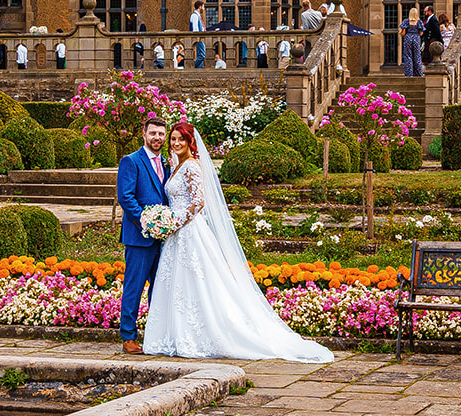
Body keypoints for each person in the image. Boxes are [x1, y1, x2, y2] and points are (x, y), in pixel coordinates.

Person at [142, 120, 333, 362]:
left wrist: (174, 222)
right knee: (178, 284)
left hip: (190, 232)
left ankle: (202, 335)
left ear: (191, 142)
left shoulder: (191, 166)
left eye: (181, 139)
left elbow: (199, 202)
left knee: (198, 282)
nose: (176, 143)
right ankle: (176, 336)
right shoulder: (175, 166)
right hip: (176, 236)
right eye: (174, 139)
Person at [116, 117, 172, 355]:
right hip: (139, 237)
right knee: (134, 287)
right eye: (153, 133)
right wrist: (148, 222)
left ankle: (155, 334)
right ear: (144, 134)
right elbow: (126, 198)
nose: (157, 138)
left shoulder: (167, 164)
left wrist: (165, 225)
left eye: (161, 134)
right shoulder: (131, 161)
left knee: (159, 288)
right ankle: (128, 336)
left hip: (164, 238)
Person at [400, 5, 424, 77]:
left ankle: (409, 74)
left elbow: (402, 31)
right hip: (416, 38)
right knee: (417, 56)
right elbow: (421, 32)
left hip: (408, 38)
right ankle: (419, 73)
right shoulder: (419, 22)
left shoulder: (406, 21)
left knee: (408, 56)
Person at [190, 2, 207, 68]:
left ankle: (198, 69)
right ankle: (192, 66)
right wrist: (198, 37)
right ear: (200, 7)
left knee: (201, 55)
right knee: (202, 56)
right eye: (203, 7)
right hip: (199, 38)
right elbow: (195, 28)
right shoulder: (194, 15)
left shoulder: (198, 15)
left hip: (201, 37)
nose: (204, 8)